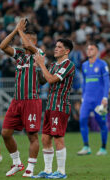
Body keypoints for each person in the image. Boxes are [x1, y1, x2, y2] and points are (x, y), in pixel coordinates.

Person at [0, 19, 42, 177]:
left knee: (32, 135)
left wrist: (21, 32)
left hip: (31, 100)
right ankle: (17, 163)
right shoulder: (20, 56)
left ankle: (31, 167)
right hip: (16, 100)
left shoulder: (39, 53)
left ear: (35, 41)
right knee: (5, 133)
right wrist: (15, 30)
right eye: (25, 37)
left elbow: (28, 46)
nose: (26, 41)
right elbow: (2, 46)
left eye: (30, 39)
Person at [33, 38, 75, 179]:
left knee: (58, 138)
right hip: (50, 106)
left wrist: (42, 65)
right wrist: (38, 67)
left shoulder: (68, 65)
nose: (55, 49)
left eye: (59, 47)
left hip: (60, 106)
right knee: (45, 138)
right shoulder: (53, 65)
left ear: (66, 51)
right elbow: (43, 81)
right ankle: (48, 170)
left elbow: (51, 80)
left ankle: (61, 172)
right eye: (55, 46)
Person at [77, 43, 110, 156]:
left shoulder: (102, 64)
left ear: (97, 51)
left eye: (92, 49)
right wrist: (83, 96)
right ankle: (86, 146)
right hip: (87, 99)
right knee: (82, 120)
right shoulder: (84, 65)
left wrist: (105, 97)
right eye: (88, 49)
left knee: (101, 122)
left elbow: (107, 82)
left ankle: (103, 148)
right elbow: (84, 82)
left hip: (99, 100)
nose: (89, 50)